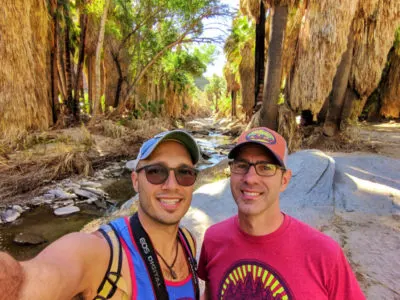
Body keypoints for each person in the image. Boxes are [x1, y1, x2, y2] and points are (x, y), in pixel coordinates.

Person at [0, 129, 201, 300]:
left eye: (185, 173)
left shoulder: (187, 242)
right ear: (135, 181)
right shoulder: (102, 253)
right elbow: (25, 283)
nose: (172, 185)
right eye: (156, 171)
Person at [198, 127, 365, 299]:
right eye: (242, 165)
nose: (250, 178)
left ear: (284, 180)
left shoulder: (325, 255)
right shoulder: (214, 239)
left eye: (265, 167)